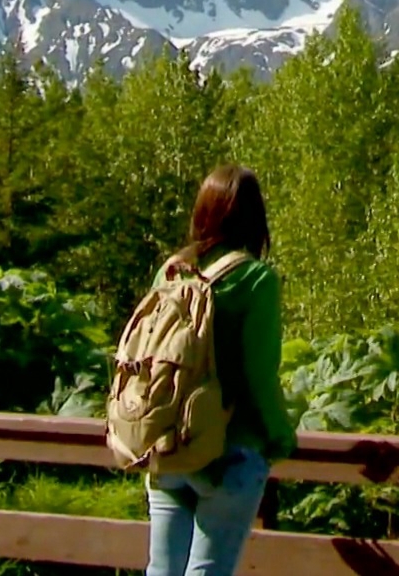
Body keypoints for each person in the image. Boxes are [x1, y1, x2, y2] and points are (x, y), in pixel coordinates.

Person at [145, 165, 298, 576]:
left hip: (170, 446)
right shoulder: (255, 279)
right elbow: (259, 376)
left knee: (162, 571)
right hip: (231, 449)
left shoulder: (171, 272)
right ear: (255, 217)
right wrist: (280, 439)